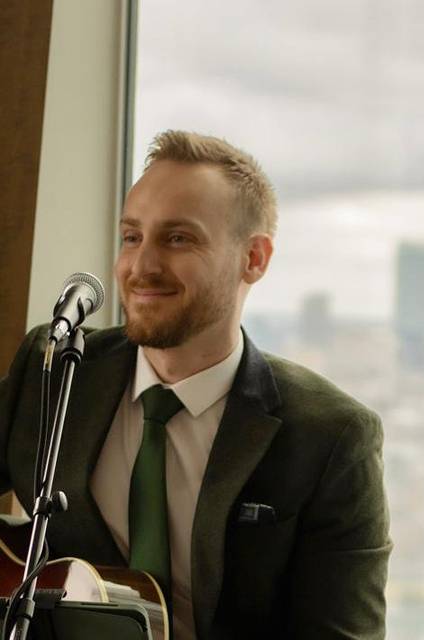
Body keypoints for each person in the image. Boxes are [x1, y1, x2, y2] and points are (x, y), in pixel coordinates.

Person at [0, 131, 391, 639]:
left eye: (178, 238)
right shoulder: (54, 369)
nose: (141, 267)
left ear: (255, 259)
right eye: (132, 236)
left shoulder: (332, 438)